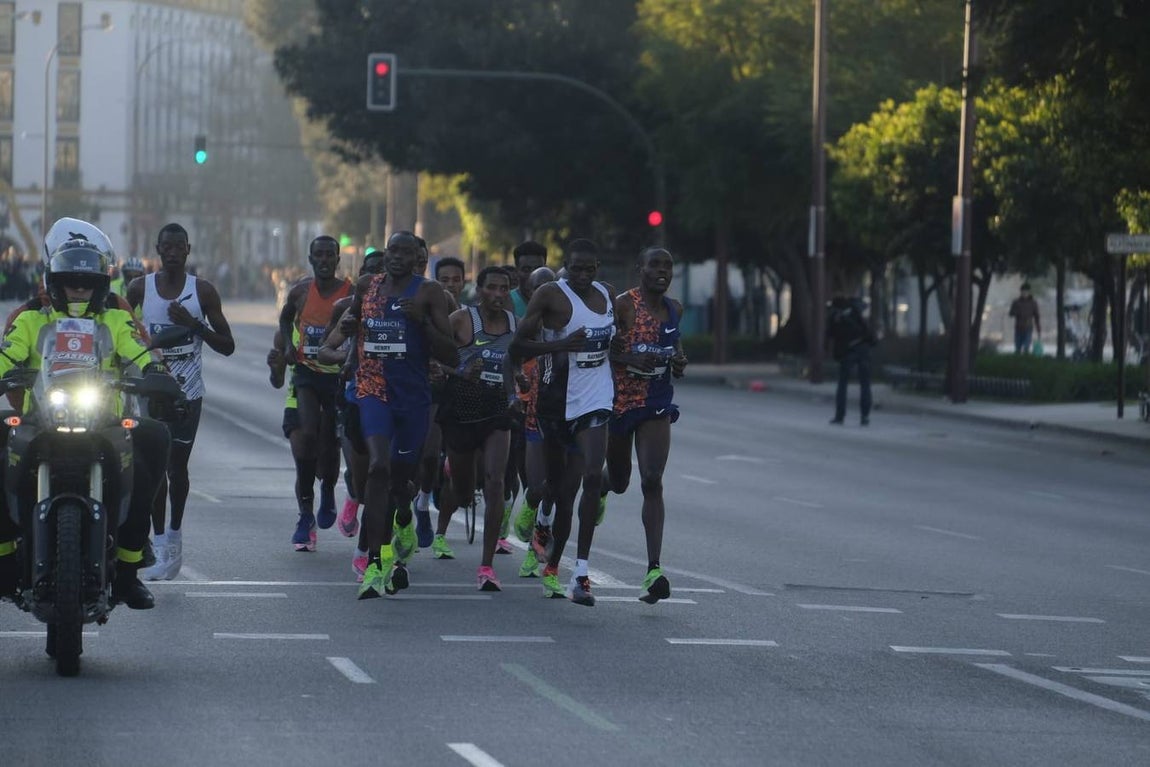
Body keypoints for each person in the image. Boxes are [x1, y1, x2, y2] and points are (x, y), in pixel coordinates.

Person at [0, 238, 173, 609]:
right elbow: (8, 353)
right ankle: (2, 558)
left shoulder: (115, 316)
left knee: (154, 437)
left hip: (104, 420)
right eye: (70, 281)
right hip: (38, 418)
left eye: (87, 282)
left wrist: (156, 369)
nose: (78, 289)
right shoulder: (32, 317)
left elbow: (136, 347)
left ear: (101, 284)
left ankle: (128, 573)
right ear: (54, 282)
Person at [343, 230, 457, 599]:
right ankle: (377, 561)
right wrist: (347, 328)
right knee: (377, 468)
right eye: (393, 250)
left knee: (400, 482)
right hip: (373, 390)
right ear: (385, 252)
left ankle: (405, 515)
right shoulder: (367, 286)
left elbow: (450, 354)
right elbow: (353, 322)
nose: (397, 257)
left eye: (406, 253)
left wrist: (422, 322)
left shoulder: (428, 293)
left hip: (413, 397)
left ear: (417, 259)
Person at [510, 239, 616, 606]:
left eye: (591, 269)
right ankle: (543, 518)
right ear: (565, 267)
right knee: (554, 488)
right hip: (555, 404)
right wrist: (560, 346)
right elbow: (517, 347)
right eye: (577, 269)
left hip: (596, 401)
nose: (584, 276)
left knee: (588, 478)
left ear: (598, 268)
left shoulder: (607, 294)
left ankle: (576, 573)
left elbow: (613, 345)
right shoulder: (550, 296)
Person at [129, 223, 235, 580]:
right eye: (167, 246)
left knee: (177, 469)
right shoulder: (139, 288)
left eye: (179, 246)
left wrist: (194, 325)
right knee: (154, 470)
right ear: (158, 249)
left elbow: (227, 345)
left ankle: (174, 534)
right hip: (151, 390)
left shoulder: (202, 291)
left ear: (188, 249)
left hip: (188, 393)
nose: (173, 252)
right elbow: (119, 329)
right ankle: (160, 545)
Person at [606, 247, 687, 604]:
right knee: (619, 481)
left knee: (652, 480)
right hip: (620, 403)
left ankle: (654, 569)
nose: (662, 271)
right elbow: (603, 349)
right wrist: (628, 358)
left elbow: (673, 343)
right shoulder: (624, 305)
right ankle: (599, 486)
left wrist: (679, 361)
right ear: (640, 269)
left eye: (668, 266)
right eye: (655, 264)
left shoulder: (674, 309)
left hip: (655, 401)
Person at [432, 266, 519, 589]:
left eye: (504, 289)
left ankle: (486, 567)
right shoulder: (461, 320)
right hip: (460, 413)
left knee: (495, 482)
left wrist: (517, 387)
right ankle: (451, 475)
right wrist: (460, 372)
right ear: (479, 289)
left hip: (497, 412)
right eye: (492, 288)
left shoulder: (515, 324)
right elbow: (433, 358)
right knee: (465, 492)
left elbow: (518, 361)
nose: (498, 294)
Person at [274, 236, 352, 551]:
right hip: (307, 373)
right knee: (306, 436)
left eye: (329, 255)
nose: (323, 260)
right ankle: (305, 514)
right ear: (310, 258)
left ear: (337, 259)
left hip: (338, 377)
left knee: (330, 444)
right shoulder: (301, 291)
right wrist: (290, 347)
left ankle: (330, 490)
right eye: (318, 254)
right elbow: (283, 318)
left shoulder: (351, 294)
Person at [511, 266, 557, 579]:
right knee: (538, 485)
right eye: (538, 288)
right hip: (533, 413)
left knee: (560, 484)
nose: (544, 294)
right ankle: (530, 506)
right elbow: (510, 357)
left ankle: (537, 546)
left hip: (565, 413)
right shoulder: (526, 328)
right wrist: (516, 381)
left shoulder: (569, 325)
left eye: (549, 287)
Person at [827, 295, 875, 426]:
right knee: (865, 384)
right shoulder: (857, 313)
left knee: (843, 384)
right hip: (863, 350)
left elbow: (830, 334)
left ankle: (840, 416)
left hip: (847, 352)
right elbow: (869, 333)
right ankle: (865, 416)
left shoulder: (837, 316)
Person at [510, 241, 547, 319]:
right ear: (516, 272)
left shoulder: (557, 301)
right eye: (526, 270)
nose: (533, 275)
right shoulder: (507, 301)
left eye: (538, 269)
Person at [1009, 282, 1041, 355]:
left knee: (1026, 347)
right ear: (1021, 292)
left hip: (1028, 327)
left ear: (1029, 292)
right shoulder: (1016, 302)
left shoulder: (1033, 303)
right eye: (1023, 291)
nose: (1025, 293)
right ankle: (1017, 363)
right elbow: (1011, 313)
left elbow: (1036, 316)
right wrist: (1017, 312)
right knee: (1018, 348)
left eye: (1026, 291)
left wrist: (1038, 328)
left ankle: (1025, 360)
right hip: (1018, 327)